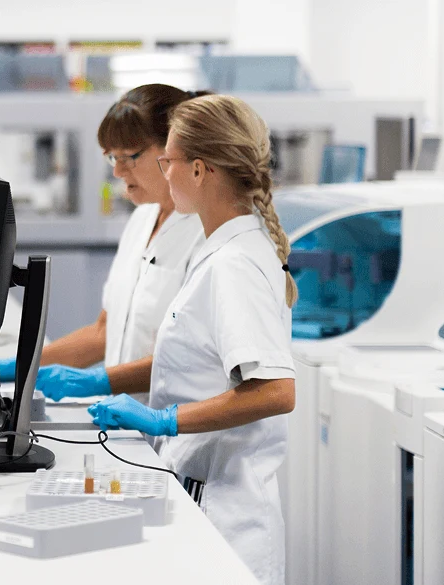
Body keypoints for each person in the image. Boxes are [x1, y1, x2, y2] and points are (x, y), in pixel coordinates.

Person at [87, 95, 298, 585]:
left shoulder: (235, 263)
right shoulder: (221, 250)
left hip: (229, 518)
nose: (165, 171)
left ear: (199, 171)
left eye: (168, 161)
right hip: (203, 496)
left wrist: (166, 419)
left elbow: (276, 391)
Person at [0, 84, 207, 400]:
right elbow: (104, 331)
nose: (117, 170)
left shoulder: (206, 232)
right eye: (112, 157)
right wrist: (10, 366)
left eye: (129, 156)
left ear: (172, 148)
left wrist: (101, 381)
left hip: (176, 426)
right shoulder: (142, 220)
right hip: (130, 427)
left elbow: (196, 361)